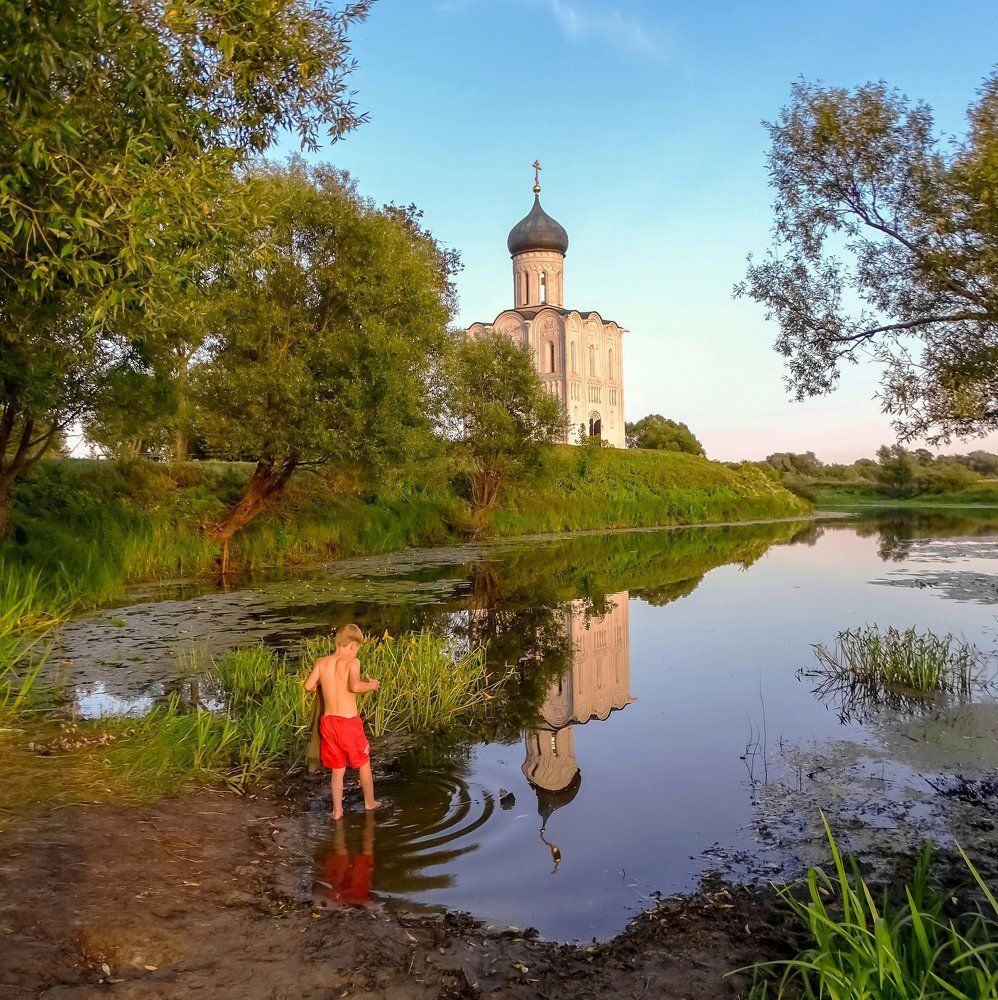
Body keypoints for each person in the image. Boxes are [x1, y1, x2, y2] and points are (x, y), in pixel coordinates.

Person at [304, 623, 381, 820]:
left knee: (338, 769)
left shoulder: (322, 662)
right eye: (358, 649)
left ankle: (337, 811)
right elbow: (355, 686)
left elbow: (309, 685)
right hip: (348, 723)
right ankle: (370, 802)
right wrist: (371, 685)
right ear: (354, 645)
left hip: (328, 722)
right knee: (363, 762)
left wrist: (326, 688)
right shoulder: (352, 663)